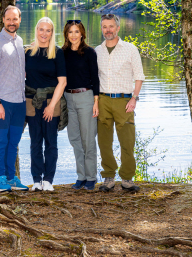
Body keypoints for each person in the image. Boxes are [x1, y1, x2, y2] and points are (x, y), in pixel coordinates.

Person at [95, 13, 145, 192]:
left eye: (111, 26)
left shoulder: (130, 49)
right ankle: (108, 176)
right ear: (102, 29)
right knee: (104, 141)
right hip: (103, 100)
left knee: (127, 141)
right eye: (104, 27)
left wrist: (134, 98)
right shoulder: (97, 51)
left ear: (117, 28)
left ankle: (127, 179)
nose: (107, 30)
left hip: (124, 100)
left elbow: (139, 77)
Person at [0, 5, 29, 192]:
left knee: (13, 142)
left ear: (19, 20)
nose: (12, 22)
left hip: (19, 102)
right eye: (9, 19)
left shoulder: (19, 42)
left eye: (15, 19)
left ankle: (11, 178)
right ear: (3, 20)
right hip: (1, 101)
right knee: (1, 140)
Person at [25, 17, 67, 192]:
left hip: (52, 102)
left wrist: (51, 106)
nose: (44, 33)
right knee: (35, 142)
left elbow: (62, 82)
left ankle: (48, 180)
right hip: (31, 102)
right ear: (36, 30)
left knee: (51, 142)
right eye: (41, 29)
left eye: (48, 30)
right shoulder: (26, 52)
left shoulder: (57, 53)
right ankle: (36, 180)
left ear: (52, 32)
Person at [62, 20, 100, 191]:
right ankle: (81, 177)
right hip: (68, 99)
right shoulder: (61, 53)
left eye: (77, 32)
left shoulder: (90, 53)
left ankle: (91, 177)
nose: (74, 35)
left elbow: (95, 78)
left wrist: (96, 102)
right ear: (66, 34)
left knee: (88, 139)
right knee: (75, 139)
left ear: (82, 33)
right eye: (70, 32)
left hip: (86, 97)